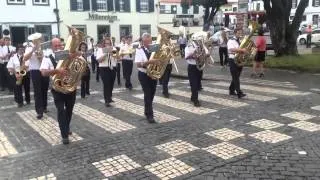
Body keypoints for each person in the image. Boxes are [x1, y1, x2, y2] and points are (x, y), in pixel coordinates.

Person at [40, 37, 77, 145]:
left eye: (59, 45)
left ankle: (66, 126)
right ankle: (64, 135)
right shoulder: (47, 57)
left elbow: (78, 57)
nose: (58, 47)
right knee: (61, 110)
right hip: (57, 89)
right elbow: (43, 73)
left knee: (69, 109)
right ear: (52, 46)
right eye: (55, 46)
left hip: (70, 87)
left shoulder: (67, 54)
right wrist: (57, 70)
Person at [23, 33, 49, 119]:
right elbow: (25, 58)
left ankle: (44, 107)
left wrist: (41, 57)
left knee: (44, 89)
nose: (38, 41)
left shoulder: (44, 48)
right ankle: (39, 111)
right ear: (33, 41)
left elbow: (47, 59)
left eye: (39, 39)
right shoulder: (29, 48)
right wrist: (33, 50)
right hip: (35, 71)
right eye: (36, 40)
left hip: (44, 70)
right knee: (37, 91)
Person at [135, 33, 159, 123]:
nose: (149, 43)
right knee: (148, 94)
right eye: (147, 41)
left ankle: (147, 110)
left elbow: (159, 58)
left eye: (150, 41)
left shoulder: (154, 48)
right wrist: (149, 62)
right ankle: (150, 115)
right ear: (143, 42)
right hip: (144, 74)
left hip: (153, 73)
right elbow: (138, 64)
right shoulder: (139, 50)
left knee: (152, 94)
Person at [97, 37, 117, 107]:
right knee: (106, 84)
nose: (107, 45)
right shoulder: (100, 50)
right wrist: (105, 53)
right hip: (104, 68)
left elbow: (116, 57)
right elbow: (99, 60)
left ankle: (110, 97)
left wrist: (112, 53)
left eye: (109, 43)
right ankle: (106, 100)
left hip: (112, 68)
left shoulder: (113, 49)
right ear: (104, 44)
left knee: (111, 84)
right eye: (106, 43)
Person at [227, 29, 247, 99]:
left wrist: (245, 51)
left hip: (239, 60)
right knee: (235, 77)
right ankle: (239, 92)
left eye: (241, 33)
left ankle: (231, 90)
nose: (240, 34)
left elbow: (243, 49)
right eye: (238, 33)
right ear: (235, 33)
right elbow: (231, 49)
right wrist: (241, 50)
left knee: (236, 76)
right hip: (232, 60)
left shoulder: (241, 40)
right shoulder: (231, 40)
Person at [185, 40, 202, 107]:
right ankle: (196, 100)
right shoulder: (188, 47)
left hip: (200, 66)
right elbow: (186, 57)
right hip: (192, 66)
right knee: (194, 84)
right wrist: (193, 55)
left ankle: (193, 97)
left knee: (198, 83)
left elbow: (206, 53)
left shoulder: (201, 46)